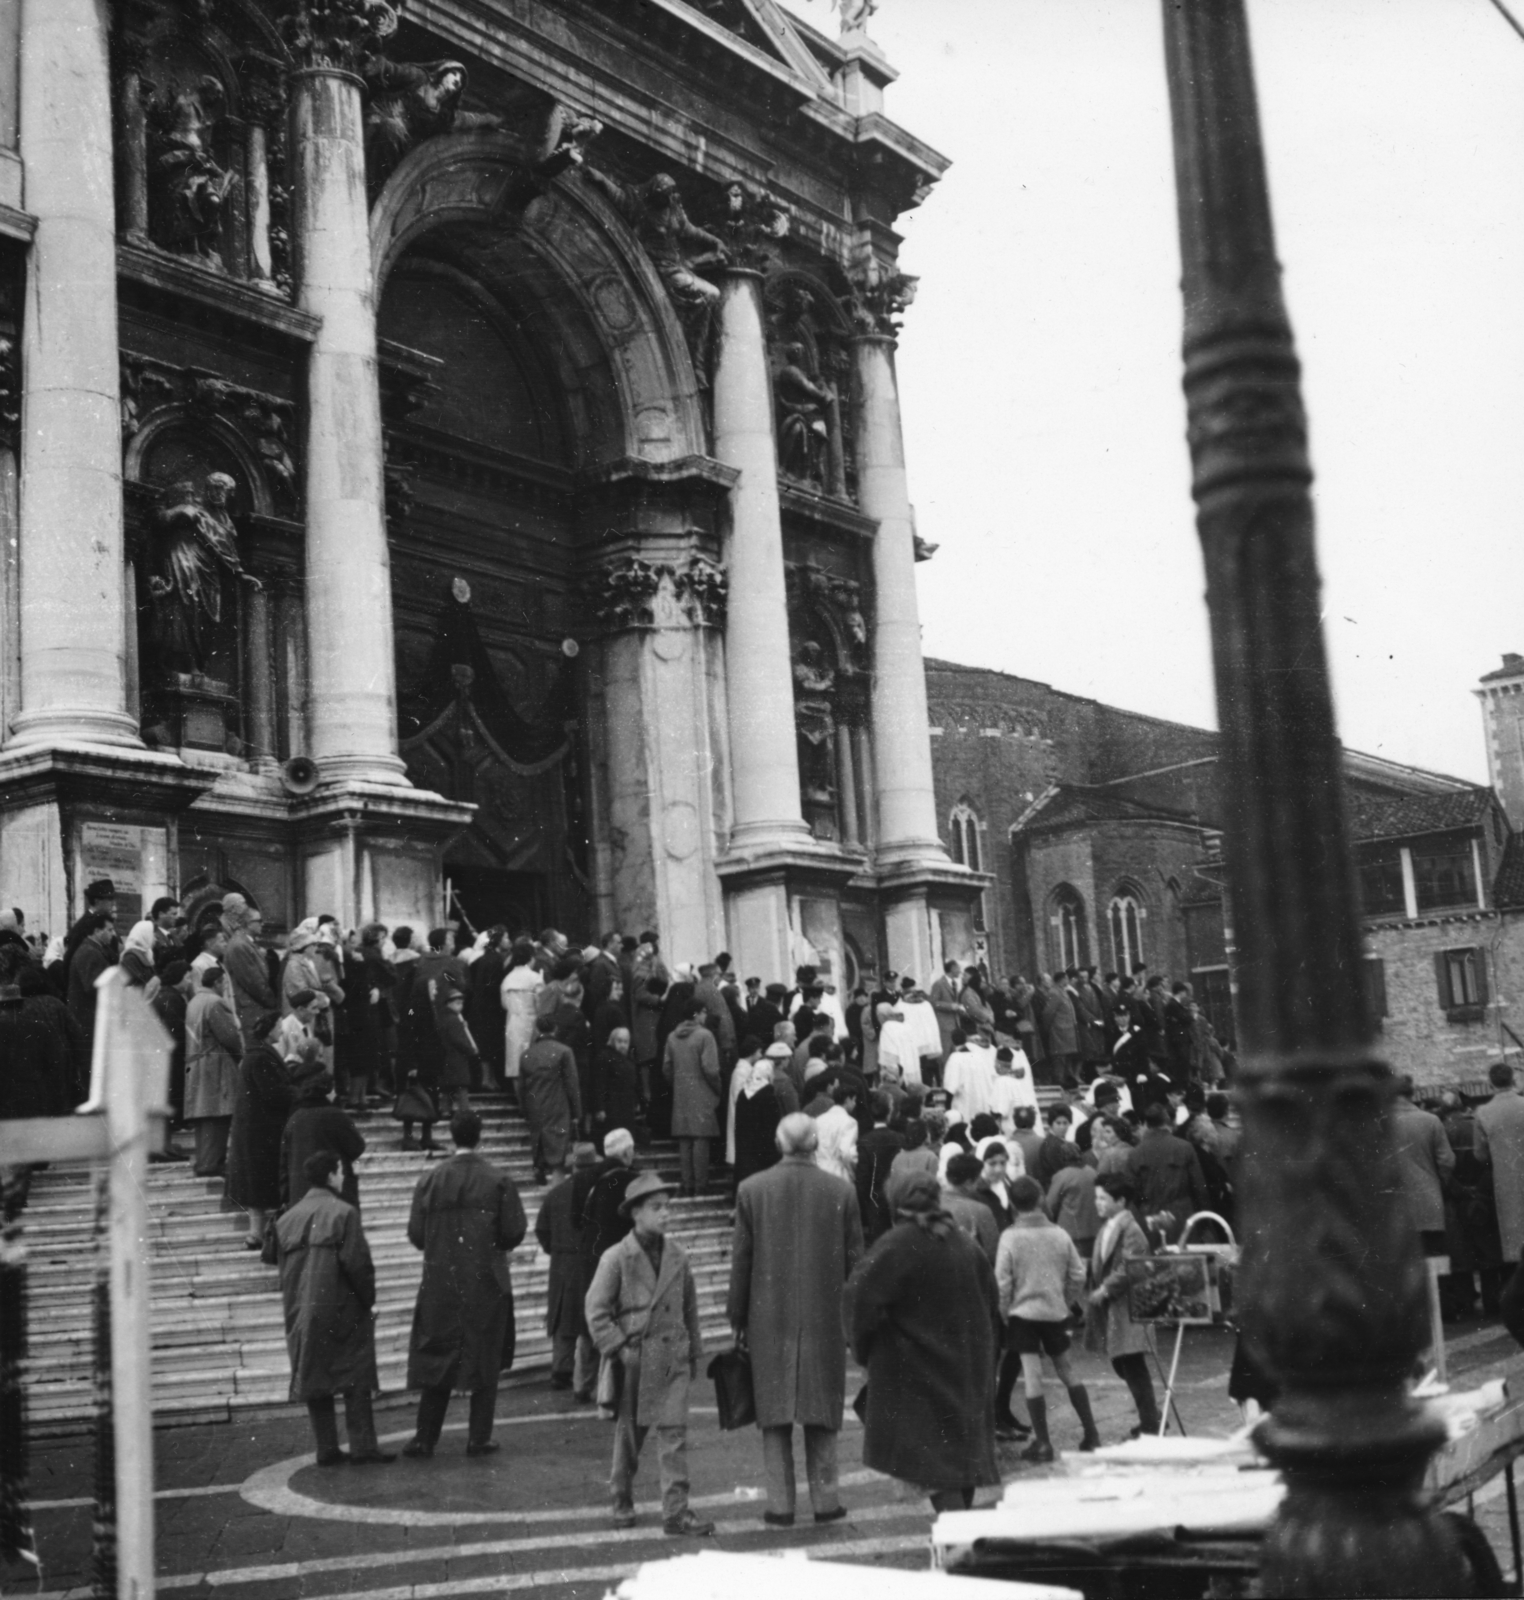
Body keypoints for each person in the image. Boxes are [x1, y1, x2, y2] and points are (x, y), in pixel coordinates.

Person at [727, 1112, 864, 1527]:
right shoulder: (841, 1190)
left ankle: (780, 1505)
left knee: (774, 1413)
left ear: (778, 1141)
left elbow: (741, 1261)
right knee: (822, 1411)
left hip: (768, 1316)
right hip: (825, 1315)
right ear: (815, 1142)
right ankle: (826, 1501)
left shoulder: (751, 1189)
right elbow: (857, 1263)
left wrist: (737, 1315)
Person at [846, 1168, 1002, 1512]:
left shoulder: (896, 1244)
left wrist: (864, 1350)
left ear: (896, 1201)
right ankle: (960, 1539)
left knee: (933, 1466)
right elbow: (992, 1300)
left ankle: (957, 1544)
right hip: (968, 1368)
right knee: (959, 1462)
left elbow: (857, 1300)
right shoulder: (964, 1242)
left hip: (917, 1373)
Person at [584, 1170, 714, 1538]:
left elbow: (690, 1307)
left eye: (667, 1208)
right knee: (630, 1436)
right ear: (636, 1213)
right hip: (636, 1358)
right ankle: (620, 1500)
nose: (665, 1215)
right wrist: (621, 1351)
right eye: (657, 1208)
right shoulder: (616, 1258)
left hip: (672, 1354)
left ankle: (676, 1512)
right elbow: (595, 1312)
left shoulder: (677, 1255)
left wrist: (694, 1352)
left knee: (674, 1436)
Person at [403, 1110, 528, 1457]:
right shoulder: (498, 1179)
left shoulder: (430, 1179)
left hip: (440, 1281)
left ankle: (425, 1437)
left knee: (437, 1356)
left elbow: (416, 1234)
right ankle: (479, 1436)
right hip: (485, 1280)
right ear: (480, 1136)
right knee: (485, 1357)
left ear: (452, 1136)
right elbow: (514, 1231)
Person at [276, 1150, 394, 1467]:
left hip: (302, 1309)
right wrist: (369, 1300)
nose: (342, 1177)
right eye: (340, 1171)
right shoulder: (344, 1213)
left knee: (314, 1374)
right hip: (343, 1307)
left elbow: (283, 1271)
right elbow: (358, 1265)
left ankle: (326, 1448)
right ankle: (363, 1447)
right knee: (355, 1377)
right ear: (330, 1176)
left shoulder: (287, 1218)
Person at [995, 1174, 1097, 1462]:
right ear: (1041, 1198)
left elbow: (1002, 1282)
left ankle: (1043, 1443)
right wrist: (1063, 1300)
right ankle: (1091, 1433)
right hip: (1054, 1311)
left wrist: (1005, 1312)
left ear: (1013, 1204)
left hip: (1022, 1315)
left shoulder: (1010, 1236)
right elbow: (1078, 1274)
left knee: (1032, 1377)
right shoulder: (1060, 1234)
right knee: (1067, 1371)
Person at [1085, 1173, 1161, 1437]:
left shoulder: (1131, 1229)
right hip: (1115, 1307)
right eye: (1097, 1198)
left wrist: (1105, 1289)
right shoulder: (1108, 1226)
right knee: (1123, 1362)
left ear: (1121, 1201)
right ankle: (1151, 1416)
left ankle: (1151, 1422)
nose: (1098, 1203)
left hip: (1129, 1305)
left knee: (1131, 1363)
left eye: (1103, 1199)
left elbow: (1130, 1266)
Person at [226, 1012, 297, 1249]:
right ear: (269, 1031)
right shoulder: (261, 1057)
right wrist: (297, 1092)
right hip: (262, 1132)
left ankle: (256, 1234)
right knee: (261, 1184)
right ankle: (258, 1235)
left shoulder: (258, 1054)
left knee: (258, 1186)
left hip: (257, 1131)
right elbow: (274, 1093)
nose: (281, 1030)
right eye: (278, 1026)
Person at [537, 1143, 600, 1399]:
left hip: (562, 1262)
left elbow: (541, 1229)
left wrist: (556, 1250)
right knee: (589, 1315)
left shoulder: (556, 1193)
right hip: (588, 1260)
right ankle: (586, 1375)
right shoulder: (596, 1192)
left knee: (563, 1316)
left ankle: (560, 1369)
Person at [280, 1063, 366, 1209]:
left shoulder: (295, 1118)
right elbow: (357, 1147)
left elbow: (283, 1161)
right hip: (335, 1194)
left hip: (300, 1195)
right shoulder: (337, 1115)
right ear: (327, 1091)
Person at [184, 965, 242, 1176]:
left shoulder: (194, 1001)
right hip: (214, 1065)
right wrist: (240, 1056)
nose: (225, 988)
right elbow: (230, 1037)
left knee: (204, 1115)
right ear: (217, 983)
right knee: (217, 1114)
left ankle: (205, 1161)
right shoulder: (215, 1002)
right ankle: (212, 1163)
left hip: (196, 1063)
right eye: (224, 984)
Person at [1391, 1075, 1456, 1256]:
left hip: (1395, 1208)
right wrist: (1439, 1183)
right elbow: (1447, 1161)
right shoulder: (1431, 1120)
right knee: (1435, 1257)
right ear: (1412, 1094)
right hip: (1429, 1200)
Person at [1126, 1102, 1208, 1240]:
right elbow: (1200, 1189)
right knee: (1184, 1258)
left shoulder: (1135, 1153)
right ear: (1167, 1121)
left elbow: (1131, 1192)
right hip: (1181, 1215)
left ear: (1146, 1124)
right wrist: (1205, 1223)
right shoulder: (1185, 1148)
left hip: (1149, 1216)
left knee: (1155, 1258)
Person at [664, 997, 720, 1197]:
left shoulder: (672, 1037)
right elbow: (711, 1069)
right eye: (704, 1012)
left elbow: (667, 1068)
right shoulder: (705, 1036)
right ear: (697, 1014)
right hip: (703, 1092)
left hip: (681, 1093)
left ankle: (687, 1185)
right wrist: (717, 1089)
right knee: (701, 1140)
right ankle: (701, 1186)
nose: (706, 1016)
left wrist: (678, 1084)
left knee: (685, 1141)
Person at [1474, 1062, 1524, 1273]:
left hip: (1506, 1181)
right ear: (1513, 1079)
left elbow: (1480, 1154)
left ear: (1490, 1083)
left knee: (1516, 1243)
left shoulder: (1483, 1112)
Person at [520, 1013, 581, 1183]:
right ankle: (556, 1194)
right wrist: (577, 1113)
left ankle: (539, 1168)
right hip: (558, 1107)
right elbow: (572, 1085)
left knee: (539, 1144)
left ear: (537, 1029)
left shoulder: (526, 1054)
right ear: (555, 1029)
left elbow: (521, 1088)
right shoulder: (564, 1052)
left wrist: (524, 1111)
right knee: (558, 1159)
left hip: (535, 1109)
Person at [221, 894, 276, 1042]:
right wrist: (273, 1003)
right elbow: (254, 982)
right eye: (258, 921)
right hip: (249, 1011)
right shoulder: (240, 945)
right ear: (247, 923)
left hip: (253, 1009)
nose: (262, 924)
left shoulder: (245, 943)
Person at [499, 938, 541, 1093]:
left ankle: (521, 1105)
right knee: (533, 1066)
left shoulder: (507, 979)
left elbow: (504, 1004)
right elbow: (540, 1003)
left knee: (515, 1067)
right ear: (530, 958)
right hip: (532, 1024)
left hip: (513, 1023)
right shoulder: (535, 978)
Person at [943, 1150, 1000, 1262]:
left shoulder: (930, 1203)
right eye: (978, 1179)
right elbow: (993, 1253)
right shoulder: (980, 1210)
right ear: (969, 1183)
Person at [1046, 1145, 1100, 1261]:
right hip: (1094, 1229)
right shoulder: (1092, 1172)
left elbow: (1050, 1205)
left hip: (1071, 1231)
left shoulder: (1062, 1176)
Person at [813, 1078, 860, 1184]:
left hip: (817, 1172)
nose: (855, 1104)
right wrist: (853, 1173)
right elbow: (846, 1153)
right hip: (838, 1173)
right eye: (854, 1100)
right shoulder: (849, 1122)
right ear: (847, 1099)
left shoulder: (819, 1119)